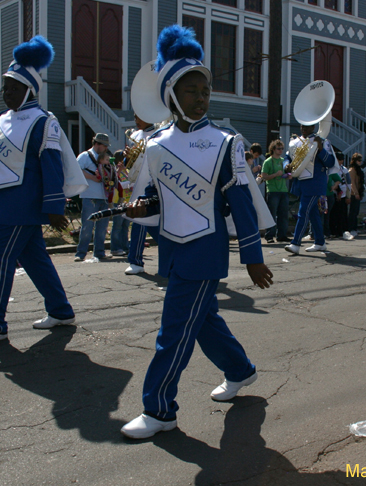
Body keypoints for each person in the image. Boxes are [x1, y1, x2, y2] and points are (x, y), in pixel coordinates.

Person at [119, 25, 273, 439]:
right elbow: (157, 195)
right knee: (201, 320)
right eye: (191, 90)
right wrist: (141, 207)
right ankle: (241, 371)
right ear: (171, 95)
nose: (201, 97)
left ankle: (159, 409)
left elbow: (240, 202)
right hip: (172, 248)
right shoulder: (155, 144)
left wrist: (253, 257)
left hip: (204, 251)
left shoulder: (226, 142)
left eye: (205, 90)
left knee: (173, 332)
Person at [0, 36, 86, 345]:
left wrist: (55, 207)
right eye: (5, 87)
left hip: (23, 206)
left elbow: (51, 166)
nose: (7, 93)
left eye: (14, 87)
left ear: (29, 89)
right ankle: (61, 310)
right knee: (36, 261)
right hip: (3, 205)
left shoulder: (43, 121)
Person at [284, 123, 335, 254]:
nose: (304, 129)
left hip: (315, 183)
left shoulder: (322, 141)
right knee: (312, 214)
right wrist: (287, 165)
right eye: (302, 126)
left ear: (313, 127)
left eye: (307, 127)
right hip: (302, 183)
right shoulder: (295, 142)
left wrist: (320, 148)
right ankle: (320, 242)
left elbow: (330, 162)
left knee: (303, 212)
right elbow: (288, 157)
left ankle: (295, 243)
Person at [125, 115, 161, 275]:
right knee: (138, 222)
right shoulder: (135, 135)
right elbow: (129, 165)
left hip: (152, 183)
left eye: (139, 117)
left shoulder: (160, 133)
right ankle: (135, 260)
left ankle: (174, 256)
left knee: (152, 223)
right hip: (138, 183)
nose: (136, 120)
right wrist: (128, 158)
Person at [75, 133, 112, 262]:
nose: (106, 148)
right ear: (96, 144)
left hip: (104, 196)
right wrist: (93, 177)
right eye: (104, 145)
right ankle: (81, 253)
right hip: (90, 195)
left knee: (102, 227)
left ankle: (99, 252)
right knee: (87, 226)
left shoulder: (106, 157)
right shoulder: (85, 156)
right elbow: (76, 170)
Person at [261, 139, 290, 243]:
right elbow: (264, 177)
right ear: (273, 149)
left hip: (283, 190)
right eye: (278, 148)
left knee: (283, 214)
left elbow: (285, 174)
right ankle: (269, 236)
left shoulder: (283, 161)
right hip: (272, 191)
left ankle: (281, 235)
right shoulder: (268, 161)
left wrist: (287, 176)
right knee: (272, 214)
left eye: (282, 148)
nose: (280, 150)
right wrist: (275, 175)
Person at [109, 149, 131, 257]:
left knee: (125, 226)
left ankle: (125, 247)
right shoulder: (114, 170)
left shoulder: (128, 171)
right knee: (117, 225)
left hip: (128, 201)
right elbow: (117, 184)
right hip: (118, 201)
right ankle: (115, 248)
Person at [329, 151, 350, 238]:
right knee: (334, 214)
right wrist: (338, 192)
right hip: (335, 193)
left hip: (344, 194)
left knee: (343, 214)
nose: (341, 161)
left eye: (342, 159)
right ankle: (333, 231)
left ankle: (342, 230)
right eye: (339, 159)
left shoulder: (344, 169)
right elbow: (334, 181)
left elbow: (348, 182)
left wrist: (348, 195)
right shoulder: (332, 169)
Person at [344, 153, 364, 240]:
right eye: (359, 161)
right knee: (352, 212)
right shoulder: (352, 170)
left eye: (360, 161)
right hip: (352, 194)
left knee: (356, 211)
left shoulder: (358, 170)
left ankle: (354, 227)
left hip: (357, 192)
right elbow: (352, 183)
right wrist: (356, 193)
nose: (360, 162)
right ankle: (351, 228)